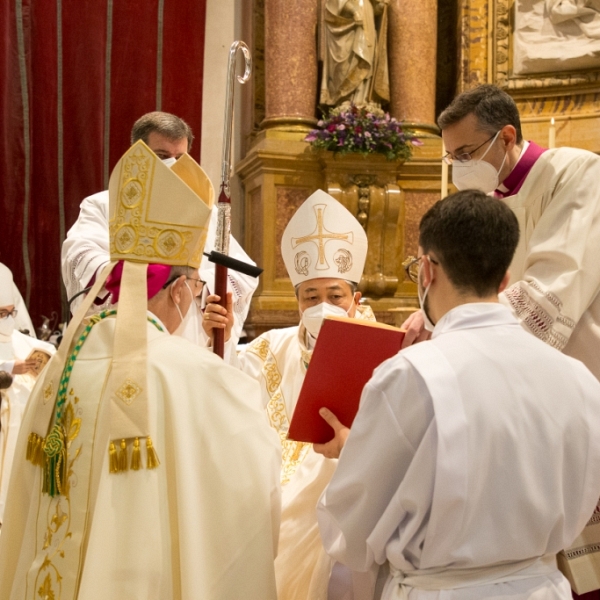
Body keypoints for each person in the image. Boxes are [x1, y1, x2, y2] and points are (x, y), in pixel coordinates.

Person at [0, 141, 281, 599]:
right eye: (194, 284)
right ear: (177, 292)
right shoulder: (191, 373)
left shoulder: (62, 367)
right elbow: (251, 498)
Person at [316, 189, 600, 600]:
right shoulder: (578, 379)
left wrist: (353, 448)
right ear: (504, 280)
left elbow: (353, 526)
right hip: (542, 587)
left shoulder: (409, 375)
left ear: (427, 272)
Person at [401, 84, 600, 595]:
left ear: (507, 136)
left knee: (583, 556)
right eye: (452, 157)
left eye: (466, 153)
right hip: (513, 391)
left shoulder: (578, 173)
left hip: (575, 374)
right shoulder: (489, 205)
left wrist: (450, 333)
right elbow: (474, 287)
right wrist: (428, 312)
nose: (459, 167)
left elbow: (555, 286)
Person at [203, 189, 371, 599]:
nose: (323, 306)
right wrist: (217, 340)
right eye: (311, 297)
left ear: (356, 299)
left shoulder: (380, 346)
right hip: (276, 477)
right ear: (296, 301)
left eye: (335, 296)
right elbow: (226, 397)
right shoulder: (270, 347)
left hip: (349, 476)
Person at [61, 110, 257, 347]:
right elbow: (79, 254)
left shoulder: (206, 211)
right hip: (127, 335)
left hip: (188, 338)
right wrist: (143, 277)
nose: (172, 166)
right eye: (162, 155)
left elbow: (243, 272)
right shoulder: (105, 204)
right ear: (138, 154)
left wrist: (198, 284)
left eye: (180, 157)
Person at [0, 264, 55, 533]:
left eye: (12, 313)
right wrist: (9, 368)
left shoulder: (17, 338)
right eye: (2, 314)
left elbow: (40, 353)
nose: (8, 320)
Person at [320, 0, 390, 106]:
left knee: (367, 56)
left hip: (367, 16)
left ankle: (362, 98)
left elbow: (373, 8)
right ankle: (344, 98)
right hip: (349, 19)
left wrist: (379, 7)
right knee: (348, 59)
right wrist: (353, 11)